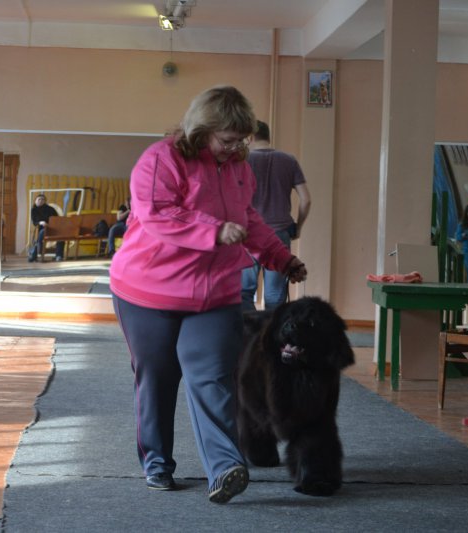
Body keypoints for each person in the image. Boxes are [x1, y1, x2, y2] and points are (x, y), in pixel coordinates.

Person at [110, 86, 307, 503]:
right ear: (202, 129)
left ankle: (225, 468)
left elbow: (248, 217)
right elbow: (157, 213)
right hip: (148, 291)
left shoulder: (238, 167)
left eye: (241, 140)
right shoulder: (160, 159)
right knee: (158, 379)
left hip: (214, 293)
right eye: (227, 139)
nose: (235, 148)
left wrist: (279, 257)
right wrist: (212, 230)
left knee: (215, 377)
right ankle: (157, 464)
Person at [240, 120, 311, 312]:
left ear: (250, 137)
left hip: (247, 234)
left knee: (244, 292)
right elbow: (306, 200)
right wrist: (298, 227)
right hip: (279, 234)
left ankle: (250, 338)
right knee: (275, 295)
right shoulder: (289, 160)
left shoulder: (242, 161)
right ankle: (272, 339)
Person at [28, 194, 65, 262]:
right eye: (39, 199)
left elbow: (56, 219)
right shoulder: (34, 209)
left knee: (61, 236)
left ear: (45, 201)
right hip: (42, 229)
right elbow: (34, 222)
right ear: (35, 201)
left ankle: (59, 256)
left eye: (43, 199)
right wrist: (40, 222)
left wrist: (52, 224)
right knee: (41, 234)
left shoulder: (50, 209)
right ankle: (35, 254)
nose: (41, 201)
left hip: (53, 228)